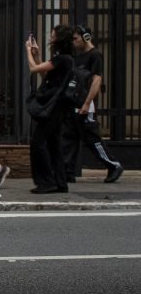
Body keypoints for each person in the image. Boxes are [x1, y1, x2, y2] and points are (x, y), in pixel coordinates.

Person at [62, 25, 124, 183]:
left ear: (86, 37)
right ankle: (67, 172)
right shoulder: (78, 56)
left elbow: (96, 80)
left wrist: (87, 103)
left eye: (76, 38)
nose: (74, 42)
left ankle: (113, 165)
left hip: (85, 105)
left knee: (92, 139)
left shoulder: (95, 55)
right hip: (74, 103)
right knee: (70, 138)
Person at [26, 25, 75, 193]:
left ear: (58, 38)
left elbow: (33, 69)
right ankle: (60, 182)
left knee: (37, 142)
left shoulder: (64, 59)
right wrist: (37, 55)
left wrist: (27, 51)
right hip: (58, 106)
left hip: (54, 107)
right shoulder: (62, 58)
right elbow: (45, 75)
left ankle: (46, 181)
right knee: (54, 144)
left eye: (52, 35)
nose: (49, 37)